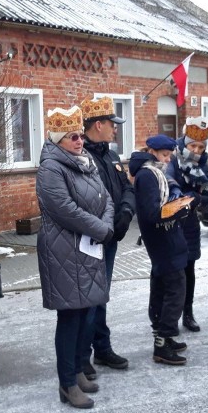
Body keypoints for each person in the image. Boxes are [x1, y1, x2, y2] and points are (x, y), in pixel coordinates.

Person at [36, 105, 114, 409]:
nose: (79, 141)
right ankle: (67, 383)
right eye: (72, 137)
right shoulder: (51, 169)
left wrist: (104, 226)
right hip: (64, 250)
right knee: (69, 317)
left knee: (84, 312)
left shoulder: (87, 162)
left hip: (88, 246)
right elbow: (64, 210)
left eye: (80, 135)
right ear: (58, 140)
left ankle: (78, 371)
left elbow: (105, 197)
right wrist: (102, 230)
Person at [79, 96, 135, 377]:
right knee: (89, 298)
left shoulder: (111, 155)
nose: (116, 130)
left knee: (101, 296)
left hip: (111, 237)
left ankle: (102, 347)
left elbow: (126, 186)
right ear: (99, 124)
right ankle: (83, 355)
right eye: (113, 124)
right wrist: (105, 226)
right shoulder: (80, 156)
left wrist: (125, 213)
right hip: (91, 239)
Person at [129, 134, 191, 364]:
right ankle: (163, 341)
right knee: (175, 290)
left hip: (166, 238)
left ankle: (164, 337)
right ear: (152, 152)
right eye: (164, 155)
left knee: (163, 287)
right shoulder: (147, 175)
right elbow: (151, 212)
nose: (167, 160)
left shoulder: (152, 171)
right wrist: (178, 209)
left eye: (169, 156)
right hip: (163, 240)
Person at [166, 116, 208, 333]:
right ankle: (169, 315)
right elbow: (169, 187)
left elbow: (206, 195)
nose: (196, 150)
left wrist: (197, 198)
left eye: (200, 147)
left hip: (191, 223)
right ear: (184, 143)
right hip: (174, 223)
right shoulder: (173, 160)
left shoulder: (202, 164)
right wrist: (190, 196)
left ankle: (188, 313)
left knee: (190, 270)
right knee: (173, 270)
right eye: (192, 145)